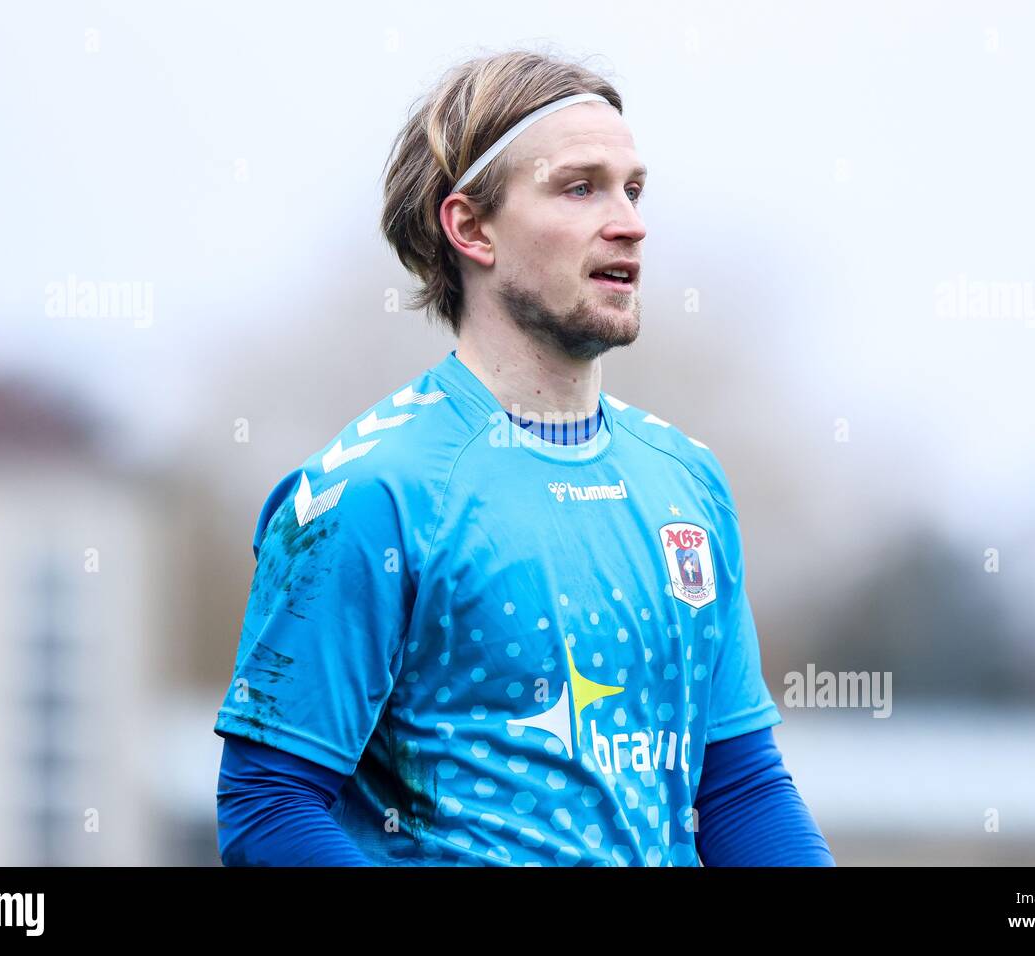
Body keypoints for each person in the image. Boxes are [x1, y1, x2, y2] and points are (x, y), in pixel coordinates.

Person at [213, 48, 834, 867]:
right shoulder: (368, 495)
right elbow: (268, 807)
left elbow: (737, 786)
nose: (630, 222)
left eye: (633, 188)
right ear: (470, 227)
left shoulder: (687, 480)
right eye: (580, 188)